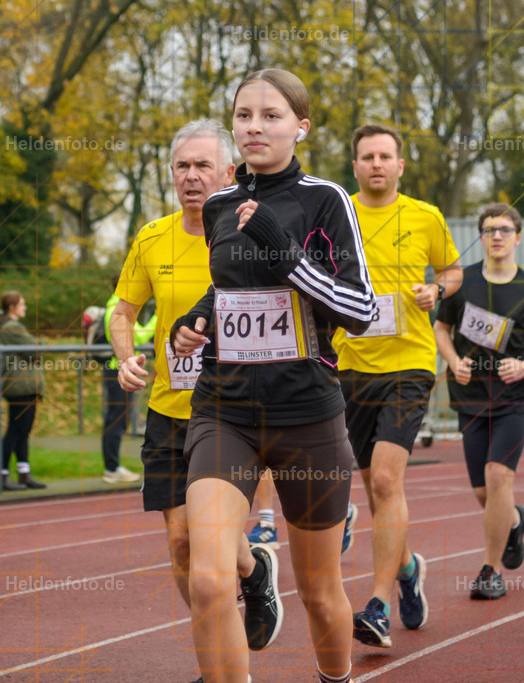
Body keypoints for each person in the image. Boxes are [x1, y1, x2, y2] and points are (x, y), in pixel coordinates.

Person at [171, 71, 375, 682]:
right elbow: (229, 285)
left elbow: (360, 312)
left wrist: (286, 254)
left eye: (271, 116)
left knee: (319, 592)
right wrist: (199, 317)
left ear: (300, 127)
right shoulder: (219, 206)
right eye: (243, 116)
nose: (254, 127)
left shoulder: (326, 200)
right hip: (223, 409)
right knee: (207, 579)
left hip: (306, 415)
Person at [114, 118, 283, 682]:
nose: (192, 177)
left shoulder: (249, 231)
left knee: (211, 538)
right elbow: (122, 310)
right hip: (168, 411)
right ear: (171, 174)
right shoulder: (151, 238)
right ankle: (229, 632)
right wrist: (125, 356)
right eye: (182, 167)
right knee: (183, 546)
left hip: (233, 412)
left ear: (227, 172)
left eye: (202, 165)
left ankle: (234, 629)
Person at [334, 123, 461, 648]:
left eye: (386, 156)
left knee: (386, 482)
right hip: (351, 365)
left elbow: (452, 271)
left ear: (400, 165)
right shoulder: (336, 214)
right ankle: (408, 569)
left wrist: (437, 290)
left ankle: (379, 605)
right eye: (367, 157)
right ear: (356, 166)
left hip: (409, 364)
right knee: (374, 487)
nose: (377, 164)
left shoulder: (424, 216)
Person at [434, 203, 524, 600]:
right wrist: (454, 362)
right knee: (483, 493)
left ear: (518, 237)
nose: (496, 236)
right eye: (489, 229)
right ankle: (513, 520)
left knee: (498, 475)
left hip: (516, 400)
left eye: (505, 229)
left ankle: (490, 571)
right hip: (470, 398)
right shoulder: (463, 283)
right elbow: (442, 328)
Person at [101, 273, 152, 484]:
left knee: (117, 420)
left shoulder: (114, 305)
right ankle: (112, 468)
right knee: (116, 421)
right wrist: (159, 316)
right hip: (117, 371)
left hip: (117, 369)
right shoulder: (116, 308)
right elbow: (139, 336)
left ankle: (113, 466)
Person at [0, 291, 46, 490]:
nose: (25, 307)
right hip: (19, 387)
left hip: (25, 387)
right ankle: (3, 476)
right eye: (22, 304)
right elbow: (36, 349)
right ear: (12, 307)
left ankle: (24, 474)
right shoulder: (12, 327)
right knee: (15, 432)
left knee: (22, 432)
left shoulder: (11, 326)